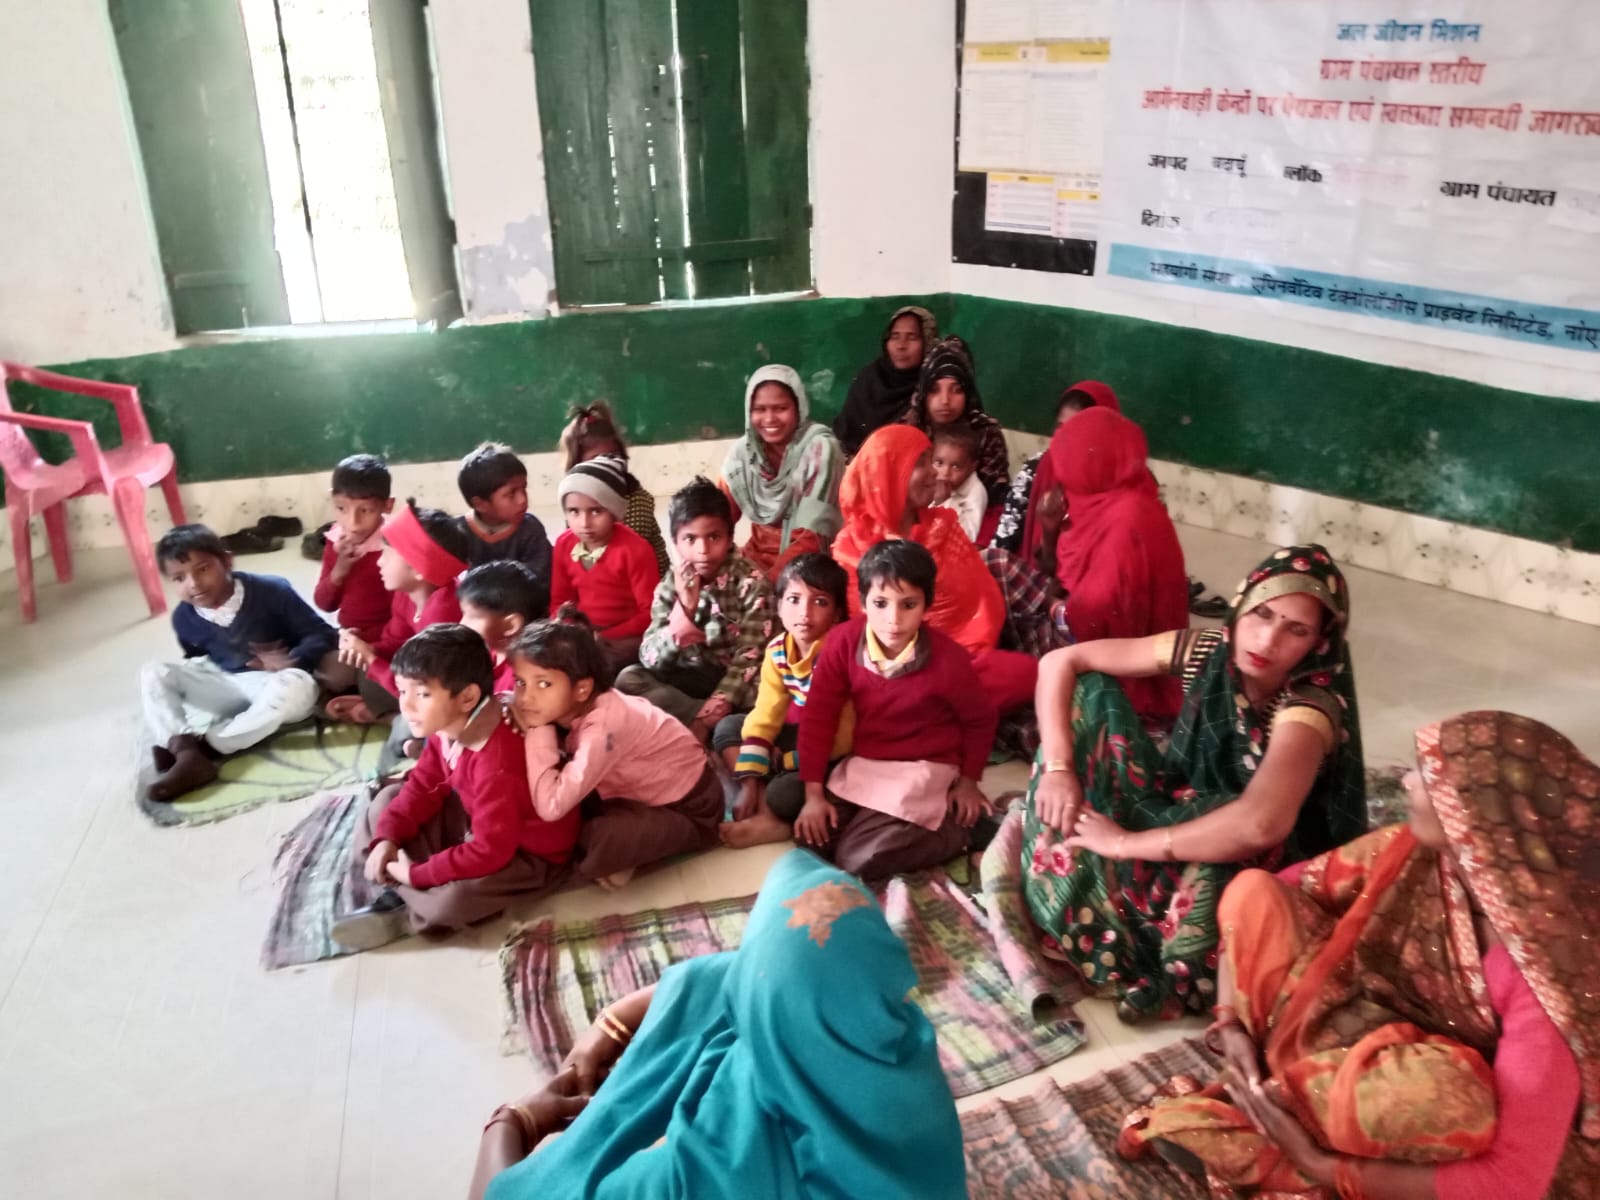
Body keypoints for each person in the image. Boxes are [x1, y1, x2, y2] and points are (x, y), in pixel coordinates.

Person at [1120, 711, 1600, 1198]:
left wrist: (1325, 1167)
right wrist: (1229, 1023)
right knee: (1252, 895)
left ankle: (1269, 1139)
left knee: (1455, 1096)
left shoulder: (1549, 978)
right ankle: (1270, 1107)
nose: (1406, 781)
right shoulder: (1415, 851)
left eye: (1429, 776)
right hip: (1343, 1028)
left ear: (1478, 819)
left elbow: (1513, 1181)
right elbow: (1276, 892)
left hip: (1416, 1087)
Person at [473, 848, 967, 1200]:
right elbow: (747, 978)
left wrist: (513, 1122)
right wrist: (612, 1023)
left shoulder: (714, 1170)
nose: (738, 974)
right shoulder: (895, 1047)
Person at [1016, 545, 1367, 1021]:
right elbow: (1061, 661)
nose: (1267, 640)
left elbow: (1260, 825)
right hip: (1180, 807)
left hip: (1251, 855)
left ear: (1319, 642)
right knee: (1090, 693)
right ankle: (1089, 889)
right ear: (1240, 605)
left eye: (1296, 629)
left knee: (1226, 881)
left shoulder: (1308, 709)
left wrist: (1123, 844)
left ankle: (1130, 934)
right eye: (1262, 614)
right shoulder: (1208, 648)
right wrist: (1059, 769)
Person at [331, 625, 580, 950]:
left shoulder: (497, 762)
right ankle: (402, 883)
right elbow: (423, 786)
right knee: (387, 800)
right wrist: (387, 838)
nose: (406, 707)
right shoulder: (446, 727)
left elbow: (490, 851)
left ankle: (402, 904)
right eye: (402, 691)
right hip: (479, 819)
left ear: (467, 698)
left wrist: (416, 875)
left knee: (454, 901)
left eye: (422, 695)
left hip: (526, 851)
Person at [793, 540, 996, 881]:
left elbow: (980, 720)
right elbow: (818, 717)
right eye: (880, 603)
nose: (893, 619)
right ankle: (896, 827)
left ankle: (959, 831)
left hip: (923, 768)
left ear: (927, 605)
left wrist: (968, 784)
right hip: (866, 764)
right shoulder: (843, 642)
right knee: (812, 840)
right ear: (863, 601)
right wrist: (813, 795)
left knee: (859, 860)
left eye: (909, 605)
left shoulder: (949, 659)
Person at [985, 406, 1190, 722]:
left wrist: (1049, 605)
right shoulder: (1105, 502)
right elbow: (1057, 575)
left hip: (1119, 667)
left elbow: (1091, 622)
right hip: (1090, 631)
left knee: (999, 576)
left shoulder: (1127, 521)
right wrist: (1050, 531)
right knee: (997, 571)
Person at [832, 424, 1036, 716]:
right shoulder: (851, 549)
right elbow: (868, 641)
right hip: (892, 673)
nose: (935, 473)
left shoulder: (943, 528)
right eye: (919, 464)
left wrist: (956, 659)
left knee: (1023, 673)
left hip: (960, 660)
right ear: (887, 474)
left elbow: (980, 602)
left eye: (931, 460)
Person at [511, 619, 722, 891]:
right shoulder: (578, 708)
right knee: (573, 819)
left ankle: (655, 845)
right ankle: (633, 848)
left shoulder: (604, 727)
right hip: (633, 794)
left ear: (582, 689)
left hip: (692, 809)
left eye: (543, 684)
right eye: (520, 682)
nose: (524, 698)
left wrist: (537, 730)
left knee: (598, 838)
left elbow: (551, 806)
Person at [140, 525, 336, 801]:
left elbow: (322, 633)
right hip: (230, 686)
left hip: (281, 685)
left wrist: (293, 659)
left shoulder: (272, 590)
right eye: (179, 578)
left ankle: (206, 749)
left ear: (227, 561)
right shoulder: (183, 618)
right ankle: (181, 746)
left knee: (296, 686)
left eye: (202, 569)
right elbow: (196, 657)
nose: (193, 583)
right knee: (154, 672)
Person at [615, 477, 773, 741]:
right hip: (692, 677)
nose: (703, 551)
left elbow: (750, 657)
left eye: (714, 537)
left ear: (730, 537)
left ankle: (701, 723)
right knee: (628, 680)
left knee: (769, 690)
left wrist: (721, 701)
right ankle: (701, 718)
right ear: (675, 542)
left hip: (738, 680)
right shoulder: (671, 583)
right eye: (690, 539)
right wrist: (685, 611)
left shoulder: (751, 582)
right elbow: (651, 659)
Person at [717, 553, 855, 849]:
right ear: (779, 606)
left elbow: (841, 739)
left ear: (837, 614)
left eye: (820, 602)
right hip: (797, 731)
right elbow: (766, 711)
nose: (804, 612)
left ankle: (773, 820)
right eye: (793, 599)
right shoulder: (778, 649)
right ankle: (755, 789)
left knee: (782, 794)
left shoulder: (838, 653)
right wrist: (750, 780)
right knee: (728, 727)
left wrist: (785, 760)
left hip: (834, 748)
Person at [328, 500, 469, 725]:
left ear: (419, 568)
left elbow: (427, 688)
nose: (379, 562)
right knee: (342, 667)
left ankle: (391, 718)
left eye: (387, 554)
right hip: (418, 672)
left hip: (442, 690)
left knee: (369, 681)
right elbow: (396, 641)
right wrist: (365, 648)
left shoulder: (443, 615)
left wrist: (371, 660)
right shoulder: (406, 594)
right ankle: (383, 710)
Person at [719, 364, 843, 579]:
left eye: (780, 408)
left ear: (799, 408)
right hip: (754, 564)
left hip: (808, 571)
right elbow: (716, 518)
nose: (769, 419)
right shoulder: (743, 453)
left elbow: (810, 537)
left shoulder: (820, 449)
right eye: (760, 409)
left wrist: (767, 585)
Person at [548, 455, 662, 673]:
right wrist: (574, 630)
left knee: (609, 663)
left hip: (626, 637)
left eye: (595, 511)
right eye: (574, 511)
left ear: (614, 511)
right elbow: (559, 602)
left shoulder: (636, 549)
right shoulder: (563, 545)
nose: (584, 523)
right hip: (583, 634)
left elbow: (651, 612)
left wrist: (605, 636)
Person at [990, 380, 1118, 557]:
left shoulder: (1115, 486)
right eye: (1060, 427)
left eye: (1077, 430)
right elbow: (1003, 538)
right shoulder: (1036, 468)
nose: (1065, 438)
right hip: (1026, 571)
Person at [559, 402, 669, 576]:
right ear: (577, 466)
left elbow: (625, 556)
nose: (609, 463)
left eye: (612, 456)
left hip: (645, 580)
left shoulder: (636, 499)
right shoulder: (576, 500)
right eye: (597, 459)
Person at [901, 337, 1009, 505]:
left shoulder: (985, 432)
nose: (945, 400)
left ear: (968, 392)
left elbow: (995, 503)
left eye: (957, 390)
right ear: (923, 392)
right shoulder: (907, 430)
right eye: (934, 390)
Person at [832, 303, 939, 457]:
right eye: (895, 336)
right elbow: (844, 436)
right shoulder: (868, 378)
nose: (901, 346)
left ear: (927, 342)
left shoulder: (933, 386)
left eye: (912, 337)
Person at [311, 453, 394, 647]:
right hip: (349, 635)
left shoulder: (394, 545)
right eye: (341, 508)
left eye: (365, 510)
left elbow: (407, 616)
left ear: (387, 505)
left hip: (388, 638)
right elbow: (324, 604)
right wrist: (338, 572)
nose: (353, 523)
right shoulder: (336, 540)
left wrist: (366, 642)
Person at [454, 442, 554, 580]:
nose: (523, 499)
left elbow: (541, 579)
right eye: (511, 494)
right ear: (480, 504)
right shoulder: (457, 533)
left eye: (524, 488)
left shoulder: (530, 529)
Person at [458, 560, 547, 693]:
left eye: (473, 617)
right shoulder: (488, 654)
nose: (462, 623)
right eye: (464, 614)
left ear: (511, 625)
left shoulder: (521, 677)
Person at [929, 423, 994, 545]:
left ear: (972, 467)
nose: (945, 473)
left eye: (956, 466)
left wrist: (944, 503)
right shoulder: (929, 477)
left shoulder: (976, 492)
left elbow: (968, 536)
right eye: (939, 463)